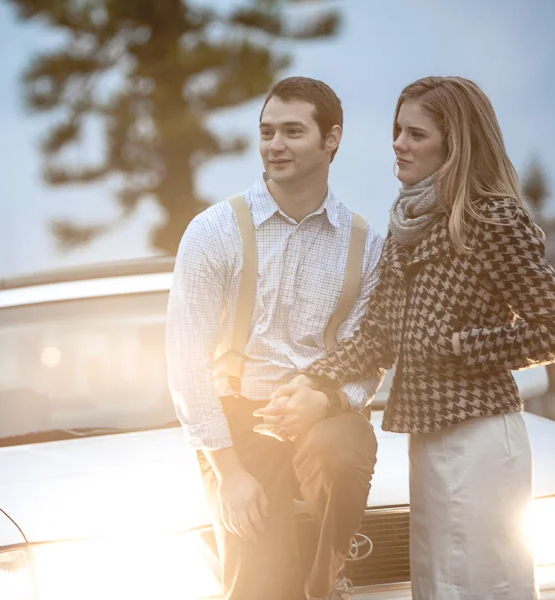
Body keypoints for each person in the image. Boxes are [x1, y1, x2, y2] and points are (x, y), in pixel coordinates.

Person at [272, 76, 555, 599]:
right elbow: (377, 338)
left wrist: (466, 346)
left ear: (453, 143)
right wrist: (309, 378)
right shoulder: (405, 226)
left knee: (484, 586)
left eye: (415, 134)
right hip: (427, 435)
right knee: (438, 587)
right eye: (398, 130)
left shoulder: (494, 219)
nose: (398, 143)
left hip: (483, 437)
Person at [166, 76, 385, 600]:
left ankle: (323, 585)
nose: (275, 146)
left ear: (331, 139)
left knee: (345, 453)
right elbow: (185, 361)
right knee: (258, 578)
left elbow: (367, 360)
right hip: (239, 419)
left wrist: (328, 399)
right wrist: (229, 474)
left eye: (292, 131)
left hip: (322, 413)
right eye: (267, 132)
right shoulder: (213, 231)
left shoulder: (366, 244)